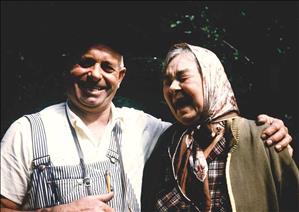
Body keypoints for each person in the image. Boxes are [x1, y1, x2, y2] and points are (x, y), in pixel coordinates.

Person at [0, 39, 293, 212]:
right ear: (69, 68)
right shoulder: (26, 132)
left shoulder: (151, 130)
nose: (94, 74)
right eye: (85, 62)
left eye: (107, 67)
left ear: (121, 76)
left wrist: (267, 131)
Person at [141, 43, 299, 212]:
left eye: (182, 77)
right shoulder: (165, 147)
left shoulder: (265, 137)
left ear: (210, 79)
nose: (172, 88)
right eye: (167, 81)